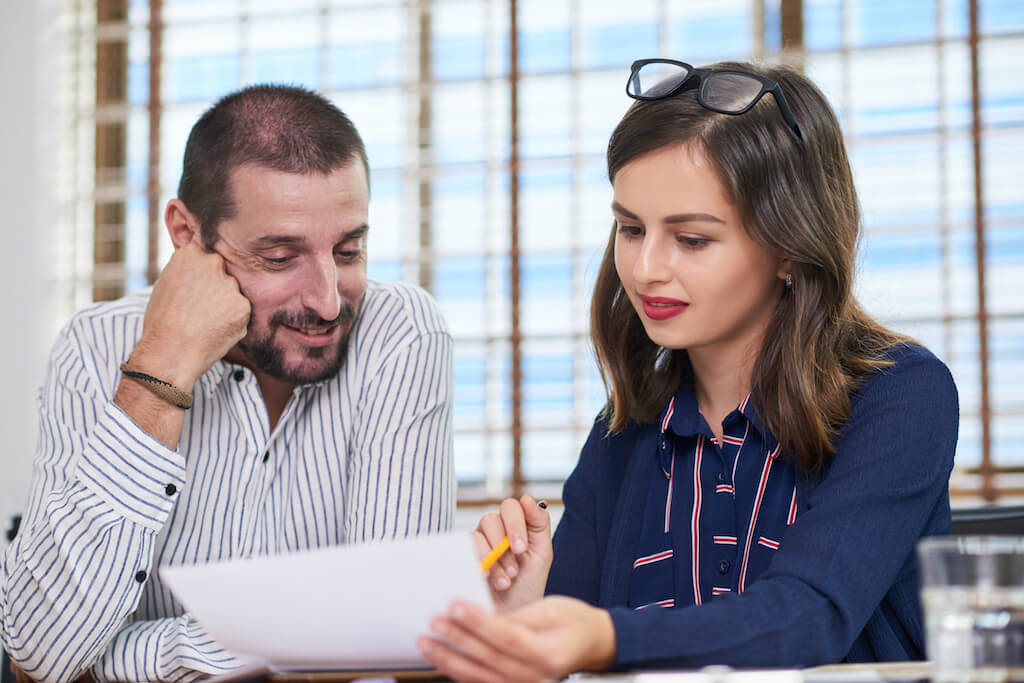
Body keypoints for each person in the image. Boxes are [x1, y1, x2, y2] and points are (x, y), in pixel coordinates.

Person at [418, 59, 959, 680]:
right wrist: (522, 617)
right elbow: (572, 642)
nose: (646, 267)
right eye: (629, 228)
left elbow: (809, 615)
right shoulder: (624, 434)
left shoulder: (900, 397)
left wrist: (600, 637)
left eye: (692, 239)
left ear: (789, 247)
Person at [0, 84, 455, 683]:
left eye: (349, 250)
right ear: (188, 237)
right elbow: (41, 654)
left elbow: (385, 634)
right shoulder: (94, 348)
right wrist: (160, 369)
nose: (325, 302)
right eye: (279, 257)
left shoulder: (401, 333)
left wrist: (115, 663)